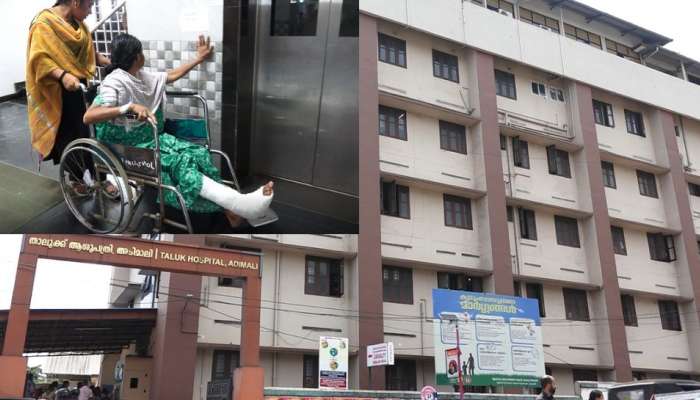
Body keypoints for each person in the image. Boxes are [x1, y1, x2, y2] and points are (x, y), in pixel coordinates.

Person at [83, 33, 274, 225]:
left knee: (196, 153)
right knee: (181, 164)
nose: (143, 55)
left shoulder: (140, 76)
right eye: (141, 51)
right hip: (129, 148)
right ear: (135, 57)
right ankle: (240, 204)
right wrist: (128, 107)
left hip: (154, 138)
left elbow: (172, 75)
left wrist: (199, 57)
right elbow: (89, 116)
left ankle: (232, 208)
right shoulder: (114, 82)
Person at [26, 0, 111, 170]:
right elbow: (39, 60)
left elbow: (87, 52)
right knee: (68, 134)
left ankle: (92, 175)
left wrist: (108, 61)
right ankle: (77, 179)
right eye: (89, 6)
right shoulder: (43, 24)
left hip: (77, 85)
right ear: (75, 3)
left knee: (84, 131)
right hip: (56, 88)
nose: (91, 12)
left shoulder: (77, 24)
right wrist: (63, 75)